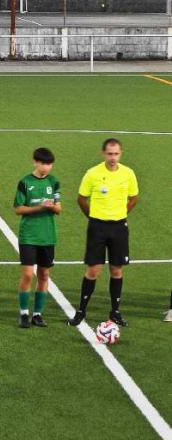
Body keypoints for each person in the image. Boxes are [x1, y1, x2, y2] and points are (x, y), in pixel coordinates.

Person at [69, 138, 139, 327]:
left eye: (116, 154)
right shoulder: (93, 173)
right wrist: (92, 216)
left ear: (121, 154)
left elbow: (134, 197)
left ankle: (115, 312)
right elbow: (81, 198)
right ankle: (81, 310)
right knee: (93, 270)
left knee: (116, 270)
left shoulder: (128, 173)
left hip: (119, 227)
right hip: (97, 227)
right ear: (103, 154)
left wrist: (121, 213)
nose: (113, 157)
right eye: (109, 153)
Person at [13, 148, 61, 329]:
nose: (46, 167)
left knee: (44, 274)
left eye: (49, 164)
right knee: (27, 274)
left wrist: (51, 206)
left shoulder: (54, 182)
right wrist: (39, 207)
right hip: (28, 236)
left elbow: (59, 209)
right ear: (35, 162)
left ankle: (38, 314)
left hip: (48, 236)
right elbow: (18, 208)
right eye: (43, 163)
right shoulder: (25, 182)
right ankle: (24, 313)